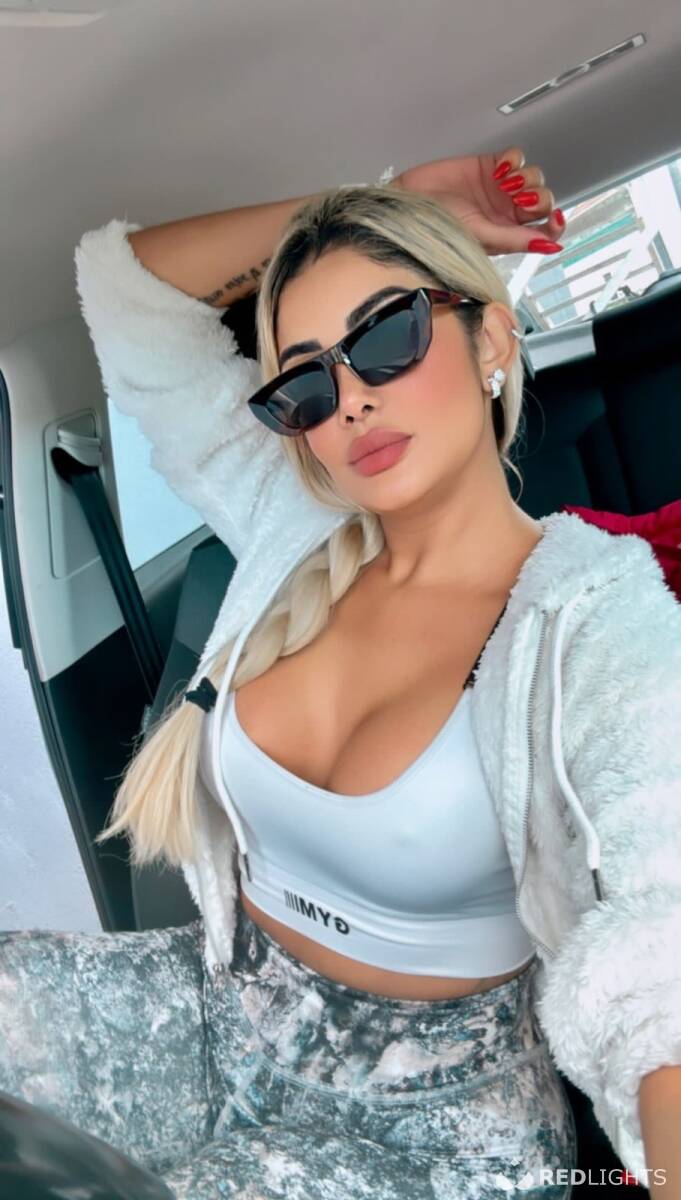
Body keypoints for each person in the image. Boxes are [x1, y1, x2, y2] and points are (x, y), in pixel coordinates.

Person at [1, 148, 679, 1200]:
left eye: (388, 336)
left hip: (434, 1121)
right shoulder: (291, 527)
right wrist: (385, 203)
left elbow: (660, 943)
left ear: (492, 337)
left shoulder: (596, 616)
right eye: (306, 382)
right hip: (219, 1008)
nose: (350, 399)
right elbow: (124, 291)